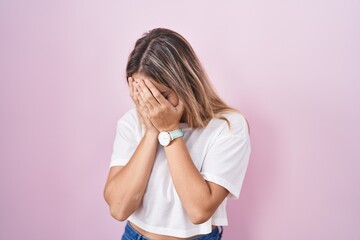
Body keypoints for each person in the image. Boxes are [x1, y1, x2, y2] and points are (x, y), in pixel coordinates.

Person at [103, 28, 251, 240]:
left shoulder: (228, 126)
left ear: (186, 84)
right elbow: (119, 208)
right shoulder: (130, 122)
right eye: (143, 94)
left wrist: (171, 130)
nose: (152, 105)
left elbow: (199, 210)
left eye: (162, 96)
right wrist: (152, 130)